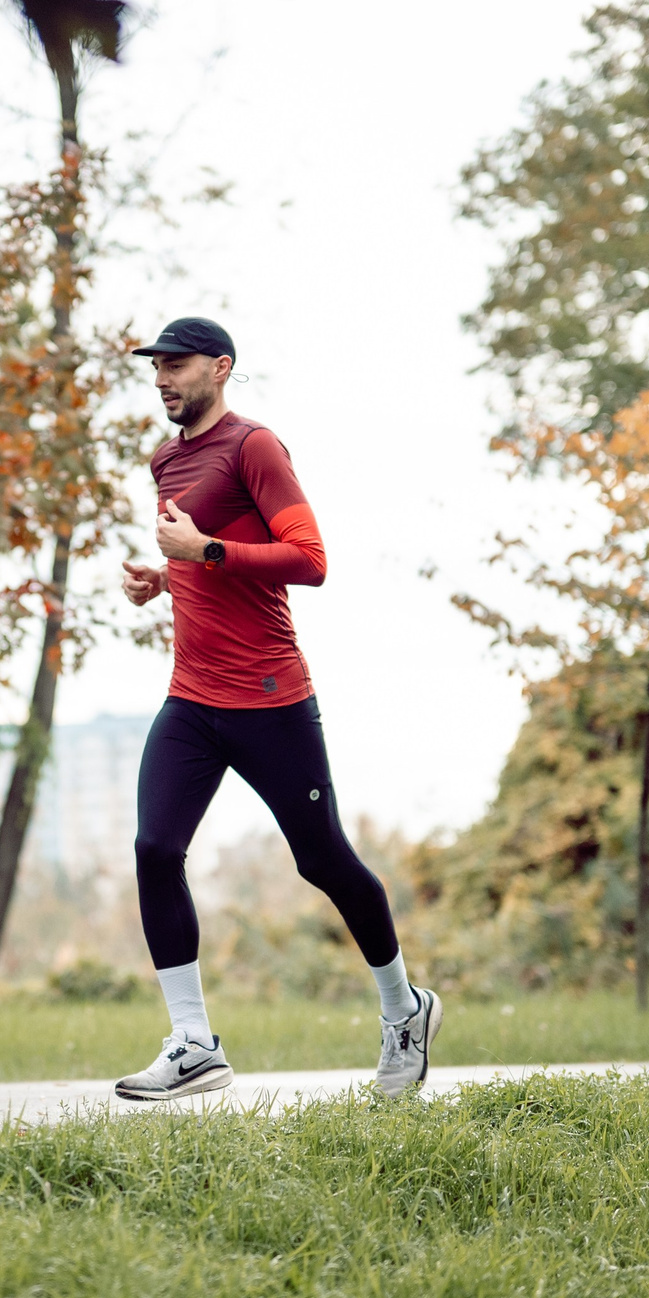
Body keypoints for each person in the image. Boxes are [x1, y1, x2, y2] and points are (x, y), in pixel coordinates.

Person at [111, 315, 440, 1102]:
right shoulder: (166, 459)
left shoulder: (255, 446)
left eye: (178, 364)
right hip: (191, 696)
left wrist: (204, 553)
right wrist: (165, 577)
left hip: (269, 697)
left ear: (220, 368)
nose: (163, 377)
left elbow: (309, 560)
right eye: (156, 365)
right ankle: (193, 1042)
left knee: (321, 858)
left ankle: (404, 1008)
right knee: (156, 848)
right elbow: (199, 554)